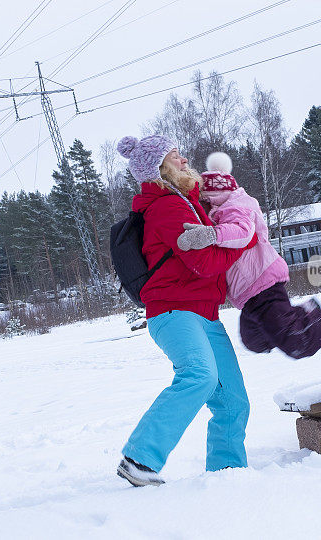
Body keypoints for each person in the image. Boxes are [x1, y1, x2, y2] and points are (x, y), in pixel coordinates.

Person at [115, 135, 258, 487]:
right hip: (173, 311)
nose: (183, 160)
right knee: (199, 375)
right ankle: (139, 459)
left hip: (204, 313)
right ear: (159, 167)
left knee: (232, 399)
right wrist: (244, 241)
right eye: (175, 156)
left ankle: (228, 475)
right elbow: (205, 262)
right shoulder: (167, 207)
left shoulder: (187, 201)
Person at [177, 152, 321, 360]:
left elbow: (243, 232)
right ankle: (302, 313)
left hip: (262, 284)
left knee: (297, 343)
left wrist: (210, 234)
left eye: (202, 202)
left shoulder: (235, 209)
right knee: (254, 340)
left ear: (212, 198)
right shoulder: (220, 211)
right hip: (248, 294)